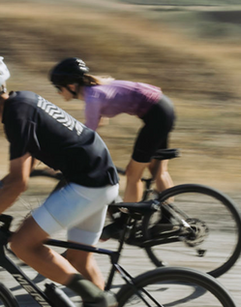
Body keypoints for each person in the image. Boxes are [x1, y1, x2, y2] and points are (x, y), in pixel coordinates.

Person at [0, 56, 119, 307]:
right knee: (79, 261)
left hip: (88, 184)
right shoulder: (22, 102)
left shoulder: (16, 116)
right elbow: (26, 166)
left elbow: (19, 184)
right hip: (101, 179)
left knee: (22, 244)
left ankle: (96, 300)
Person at [48, 57, 175, 204]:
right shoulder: (94, 92)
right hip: (164, 108)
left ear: (71, 86)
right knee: (158, 171)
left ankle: (127, 220)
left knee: (133, 174)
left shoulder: (93, 98)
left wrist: (64, 156)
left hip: (156, 116)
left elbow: (87, 135)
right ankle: (167, 219)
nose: (58, 93)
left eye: (58, 88)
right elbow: (97, 124)